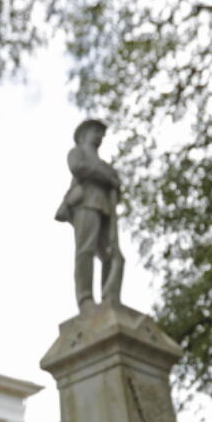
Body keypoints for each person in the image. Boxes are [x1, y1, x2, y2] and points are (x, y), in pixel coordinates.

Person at [54, 119, 125, 312]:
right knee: (85, 249)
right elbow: (79, 168)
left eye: (102, 133)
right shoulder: (78, 153)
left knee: (112, 254)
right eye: (96, 131)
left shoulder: (105, 165)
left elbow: (117, 187)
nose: (100, 136)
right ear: (84, 134)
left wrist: (113, 181)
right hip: (85, 204)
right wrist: (107, 176)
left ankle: (109, 297)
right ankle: (85, 297)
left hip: (105, 208)